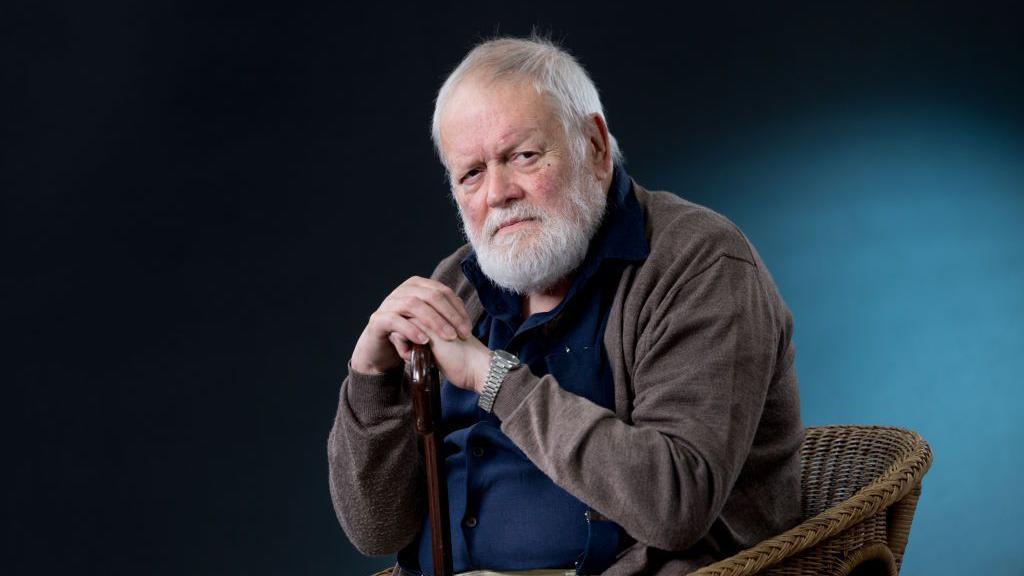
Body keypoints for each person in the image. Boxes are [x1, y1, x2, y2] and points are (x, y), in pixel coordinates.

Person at [328, 36, 804, 576]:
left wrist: (492, 378)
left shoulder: (699, 264)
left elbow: (676, 503)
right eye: (472, 173)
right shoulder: (456, 285)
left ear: (595, 147)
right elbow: (375, 531)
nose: (499, 192)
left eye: (523, 156)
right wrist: (368, 379)